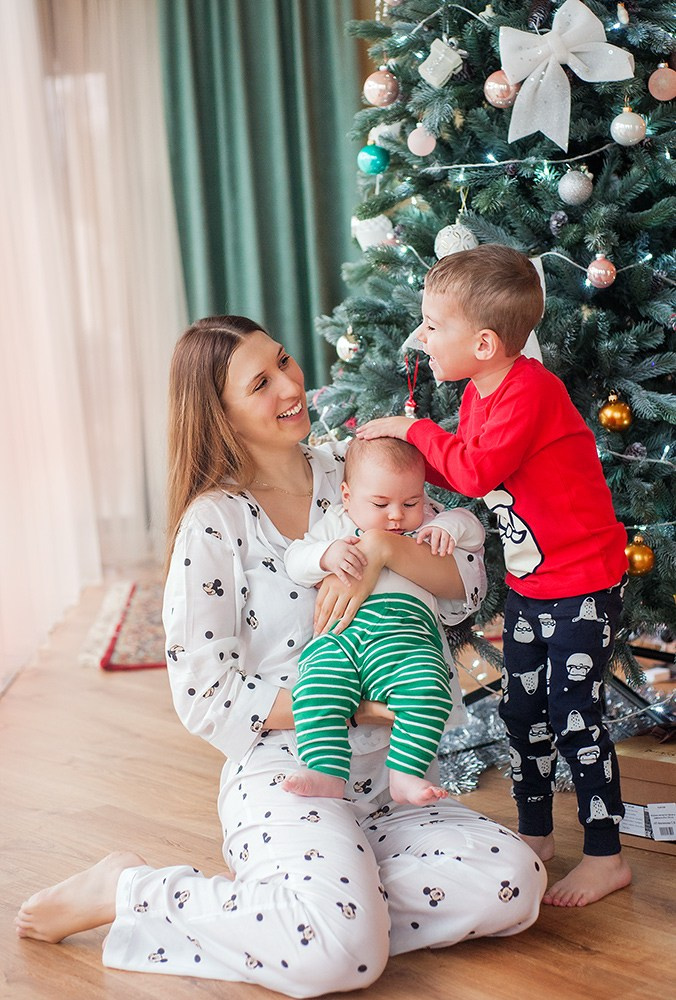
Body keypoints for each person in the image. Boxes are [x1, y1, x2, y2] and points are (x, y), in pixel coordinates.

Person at [16, 315, 546, 997]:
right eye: (260, 382)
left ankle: (323, 904)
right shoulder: (215, 523)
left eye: (286, 362)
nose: (291, 385)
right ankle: (134, 892)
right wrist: (356, 706)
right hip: (287, 771)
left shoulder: (355, 467)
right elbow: (206, 696)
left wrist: (385, 549)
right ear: (222, 414)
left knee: (512, 885)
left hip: (393, 775)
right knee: (338, 958)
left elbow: (465, 589)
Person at [357, 244, 632, 910]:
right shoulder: (481, 396)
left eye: (433, 324)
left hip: (584, 584)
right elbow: (466, 472)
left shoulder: (530, 389)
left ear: (483, 342)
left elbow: (477, 473)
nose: (421, 337)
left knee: (575, 716)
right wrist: (405, 467)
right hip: (537, 586)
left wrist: (416, 427)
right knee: (522, 711)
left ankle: (606, 854)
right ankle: (535, 834)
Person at [283, 435, 485, 805]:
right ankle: (325, 771)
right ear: (347, 497)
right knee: (314, 686)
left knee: (428, 687)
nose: (396, 515)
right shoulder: (337, 525)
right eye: (380, 503)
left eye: (410, 501)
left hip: (408, 639)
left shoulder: (429, 523)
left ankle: (406, 775)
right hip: (343, 637)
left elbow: (472, 525)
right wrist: (325, 555)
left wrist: (448, 528)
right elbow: (295, 559)